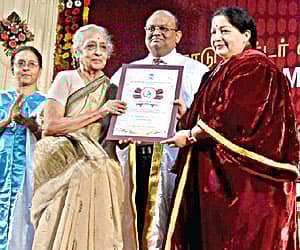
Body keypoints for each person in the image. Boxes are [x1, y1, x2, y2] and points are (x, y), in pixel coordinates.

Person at [161, 7, 299, 250]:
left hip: (244, 185)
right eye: (213, 32)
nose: (216, 37)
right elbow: (210, 116)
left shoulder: (254, 66)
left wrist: (191, 135)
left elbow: (231, 117)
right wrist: (187, 117)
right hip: (215, 177)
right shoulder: (219, 69)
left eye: (224, 30)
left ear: (246, 35)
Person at [111, 9, 208, 249]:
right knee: (130, 222)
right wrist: (119, 133)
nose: (156, 33)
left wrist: (186, 117)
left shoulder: (196, 72)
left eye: (164, 28)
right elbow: (110, 118)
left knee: (171, 227)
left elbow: (207, 121)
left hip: (173, 160)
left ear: (178, 36)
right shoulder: (126, 73)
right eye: (151, 29)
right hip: (133, 160)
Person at [31, 24, 127, 250]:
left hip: (100, 168)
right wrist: (101, 111)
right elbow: (52, 126)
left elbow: (110, 137)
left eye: (103, 47)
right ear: (77, 52)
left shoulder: (112, 88)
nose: (97, 52)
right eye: (90, 46)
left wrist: (126, 136)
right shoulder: (66, 79)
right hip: (64, 168)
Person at [0, 46, 46, 250]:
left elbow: (51, 139)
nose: (26, 68)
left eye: (31, 64)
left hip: (30, 177)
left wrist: (31, 125)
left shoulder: (46, 103)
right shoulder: (1, 99)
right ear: (12, 69)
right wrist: (7, 120)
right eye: (20, 63)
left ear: (39, 70)